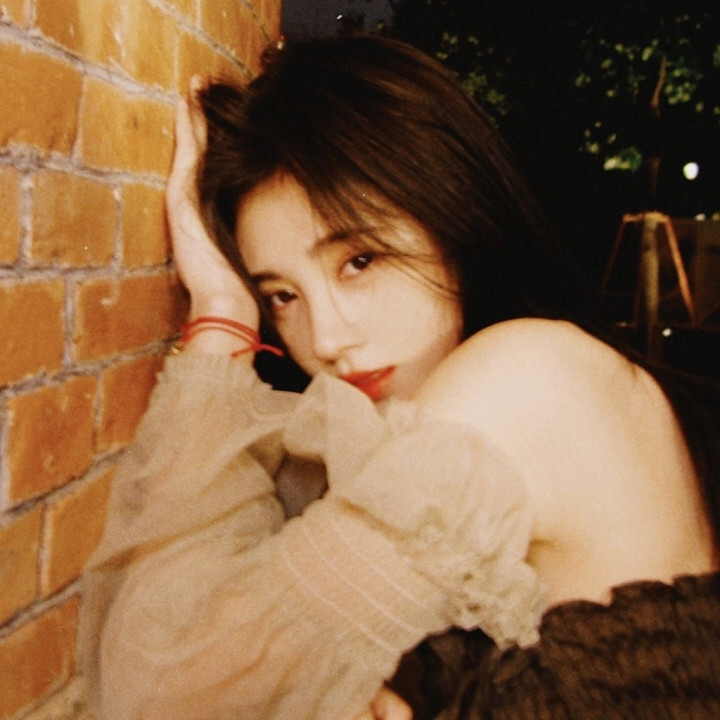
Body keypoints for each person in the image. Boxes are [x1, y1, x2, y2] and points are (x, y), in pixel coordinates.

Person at [80, 35, 720, 720]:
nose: (327, 340)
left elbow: (157, 692)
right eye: (281, 296)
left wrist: (220, 318)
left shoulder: (525, 380)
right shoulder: (477, 411)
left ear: (453, 215)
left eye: (360, 261)